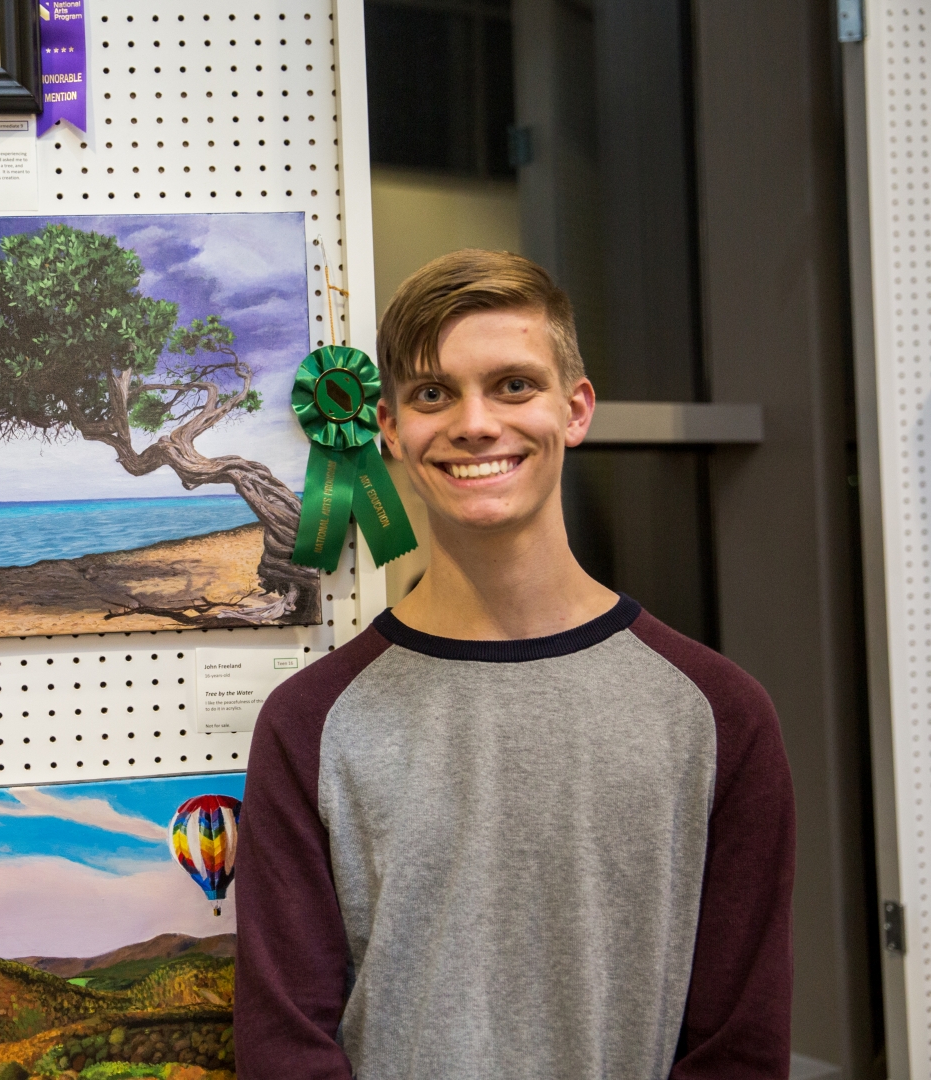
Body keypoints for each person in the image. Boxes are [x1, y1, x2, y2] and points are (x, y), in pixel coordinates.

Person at [234, 249, 794, 1079]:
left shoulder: (719, 716)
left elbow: (737, 1051)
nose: (474, 423)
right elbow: (285, 1050)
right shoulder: (309, 724)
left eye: (513, 386)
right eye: (433, 393)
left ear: (575, 410)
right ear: (387, 427)